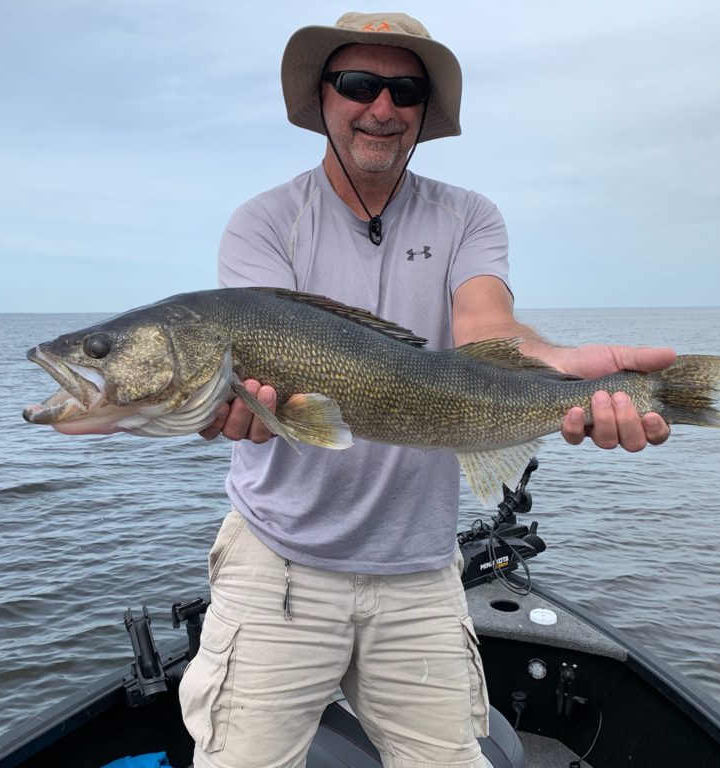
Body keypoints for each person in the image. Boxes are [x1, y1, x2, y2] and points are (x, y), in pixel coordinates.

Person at [178, 12, 675, 768]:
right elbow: (256, 367)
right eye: (359, 84)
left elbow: (484, 328)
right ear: (323, 96)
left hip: (418, 569)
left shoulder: (468, 216)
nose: (382, 106)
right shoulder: (266, 223)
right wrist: (230, 406)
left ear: (422, 110)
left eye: (405, 90)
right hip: (276, 564)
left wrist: (561, 370)